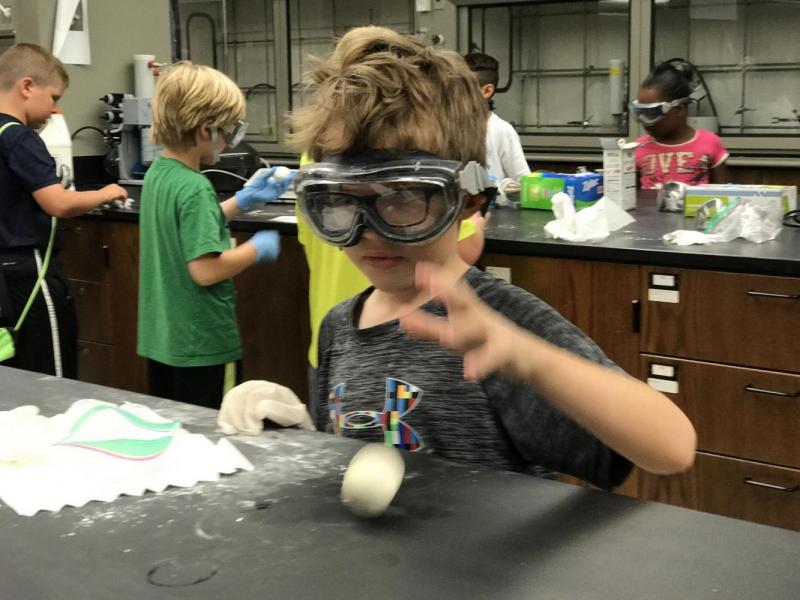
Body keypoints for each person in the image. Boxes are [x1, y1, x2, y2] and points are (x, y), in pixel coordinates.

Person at [281, 26, 695, 489]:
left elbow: (672, 446)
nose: (367, 232)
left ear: (469, 201)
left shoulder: (497, 323)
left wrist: (523, 356)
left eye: (403, 197)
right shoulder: (339, 326)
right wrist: (294, 434)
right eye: (338, 201)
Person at [137, 62, 293, 408]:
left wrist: (240, 202)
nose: (229, 141)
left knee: (177, 434)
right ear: (207, 129)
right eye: (229, 131)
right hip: (203, 345)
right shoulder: (196, 187)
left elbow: (185, 228)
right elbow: (205, 270)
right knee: (215, 435)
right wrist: (257, 248)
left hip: (165, 341)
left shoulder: (158, 175)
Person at [0, 43, 127, 378]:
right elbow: (58, 203)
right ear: (27, 87)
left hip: (3, 276)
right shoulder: (20, 138)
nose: (55, 110)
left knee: (15, 373)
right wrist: (104, 193)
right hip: (30, 271)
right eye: (54, 98)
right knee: (51, 376)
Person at [631, 60, 728, 189]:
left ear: (678, 109)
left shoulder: (709, 143)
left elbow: (721, 195)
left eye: (651, 113)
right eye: (640, 112)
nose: (644, 121)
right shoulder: (639, 148)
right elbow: (631, 197)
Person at [464, 52, 530, 204]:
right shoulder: (444, 127)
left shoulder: (500, 129)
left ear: (487, 91)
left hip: (491, 216)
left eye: (464, 88)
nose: (454, 94)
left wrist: (502, 188)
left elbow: (524, 182)